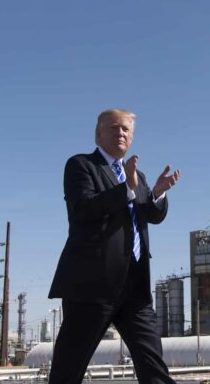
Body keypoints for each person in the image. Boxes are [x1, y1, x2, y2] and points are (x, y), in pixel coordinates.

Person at [48, 108, 180, 384]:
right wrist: (127, 190)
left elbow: (151, 216)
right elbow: (83, 209)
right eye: (113, 128)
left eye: (126, 129)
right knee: (67, 371)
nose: (120, 133)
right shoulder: (81, 165)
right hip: (92, 286)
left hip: (135, 288)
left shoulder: (138, 175)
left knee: (153, 367)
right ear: (98, 134)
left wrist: (156, 193)